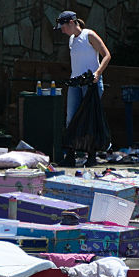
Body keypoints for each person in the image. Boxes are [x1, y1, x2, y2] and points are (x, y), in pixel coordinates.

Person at [55, 10, 111, 164]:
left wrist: (97, 73)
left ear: (72, 23)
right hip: (75, 82)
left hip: (90, 83)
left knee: (90, 118)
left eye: (63, 26)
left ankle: (91, 155)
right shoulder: (72, 40)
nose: (62, 30)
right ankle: (71, 155)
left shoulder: (89, 35)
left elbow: (106, 55)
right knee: (71, 118)